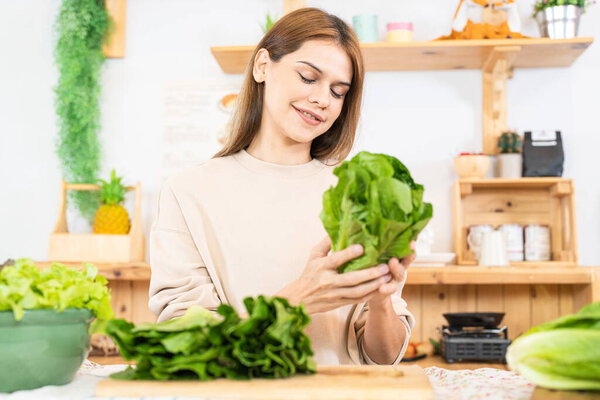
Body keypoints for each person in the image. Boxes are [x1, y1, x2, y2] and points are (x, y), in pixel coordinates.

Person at [149, 7, 415, 366]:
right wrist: (298, 300)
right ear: (263, 66)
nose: (323, 99)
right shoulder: (187, 192)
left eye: (338, 92)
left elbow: (383, 357)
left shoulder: (357, 195)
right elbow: (184, 344)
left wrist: (382, 299)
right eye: (308, 78)